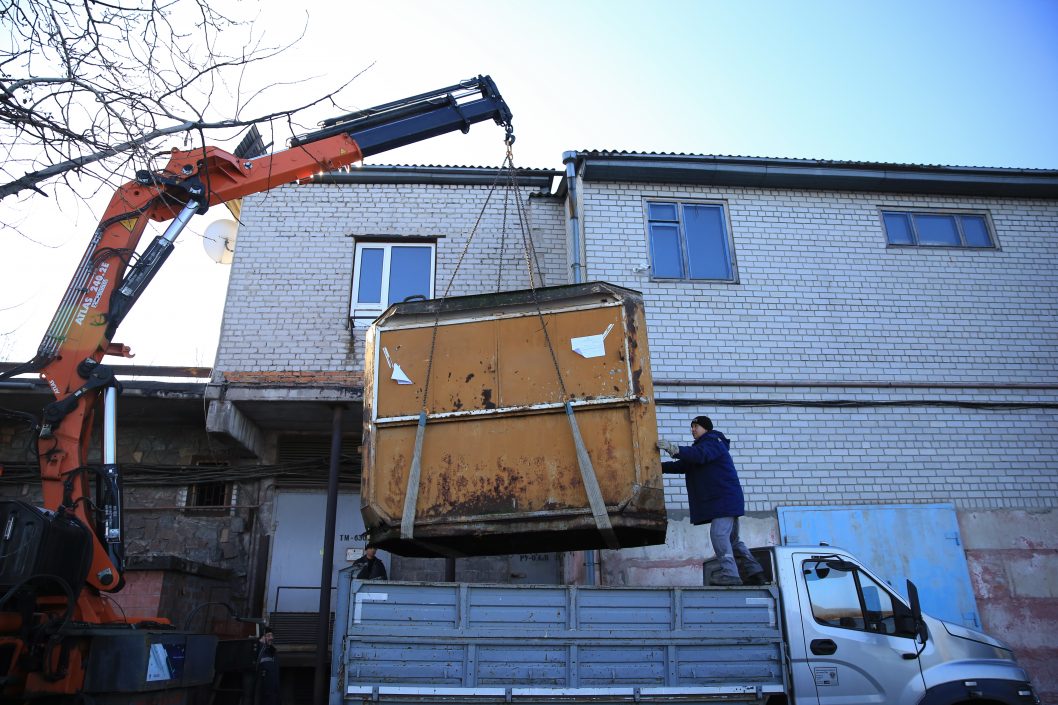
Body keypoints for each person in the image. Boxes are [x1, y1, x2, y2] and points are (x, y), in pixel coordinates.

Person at [657, 415, 764, 586]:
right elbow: (683, 465)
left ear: (706, 428)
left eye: (695, 426)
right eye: (691, 427)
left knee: (718, 534)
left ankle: (730, 574)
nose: (692, 430)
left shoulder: (714, 442)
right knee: (732, 540)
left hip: (724, 500)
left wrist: (674, 448)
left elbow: (699, 455)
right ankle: (755, 572)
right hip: (725, 501)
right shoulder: (702, 449)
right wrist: (656, 467)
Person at [256, 626, 280, 705]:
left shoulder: (273, 651)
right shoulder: (259, 650)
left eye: (272, 635)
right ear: (263, 637)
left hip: (274, 691)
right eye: (269, 635)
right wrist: (261, 644)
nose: (271, 638)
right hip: (264, 692)